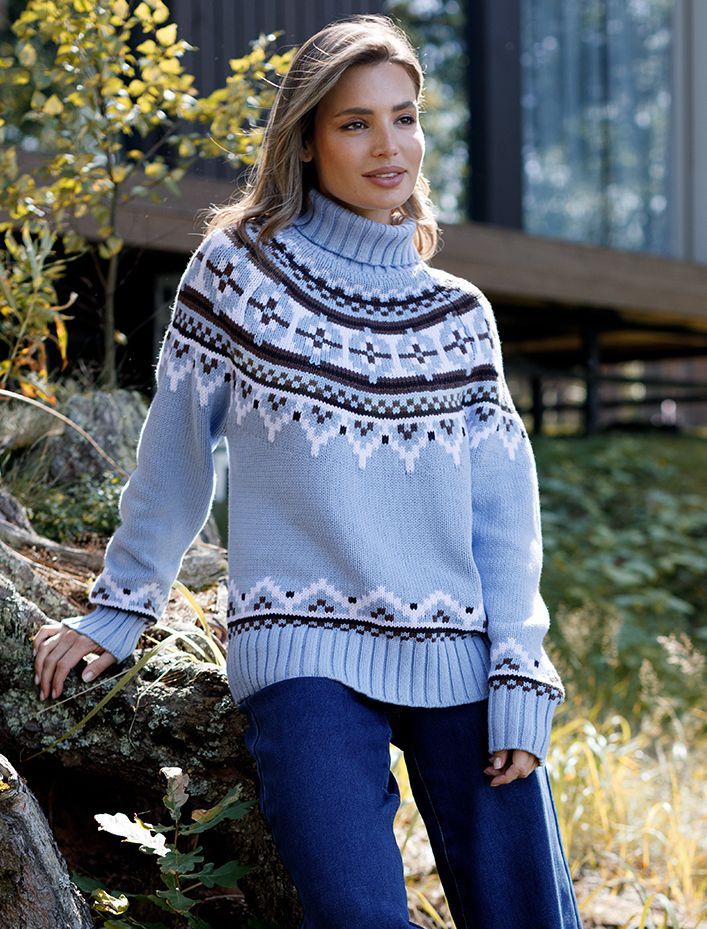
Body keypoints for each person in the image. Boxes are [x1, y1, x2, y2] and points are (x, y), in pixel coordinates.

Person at [33, 13, 584, 929]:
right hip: (302, 653)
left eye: (403, 117)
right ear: (306, 140)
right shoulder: (239, 271)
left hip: (459, 651)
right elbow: (175, 454)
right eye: (355, 123)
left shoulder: (459, 317)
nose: (388, 146)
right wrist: (122, 605)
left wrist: (520, 671)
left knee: (529, 912)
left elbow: (503, 516)